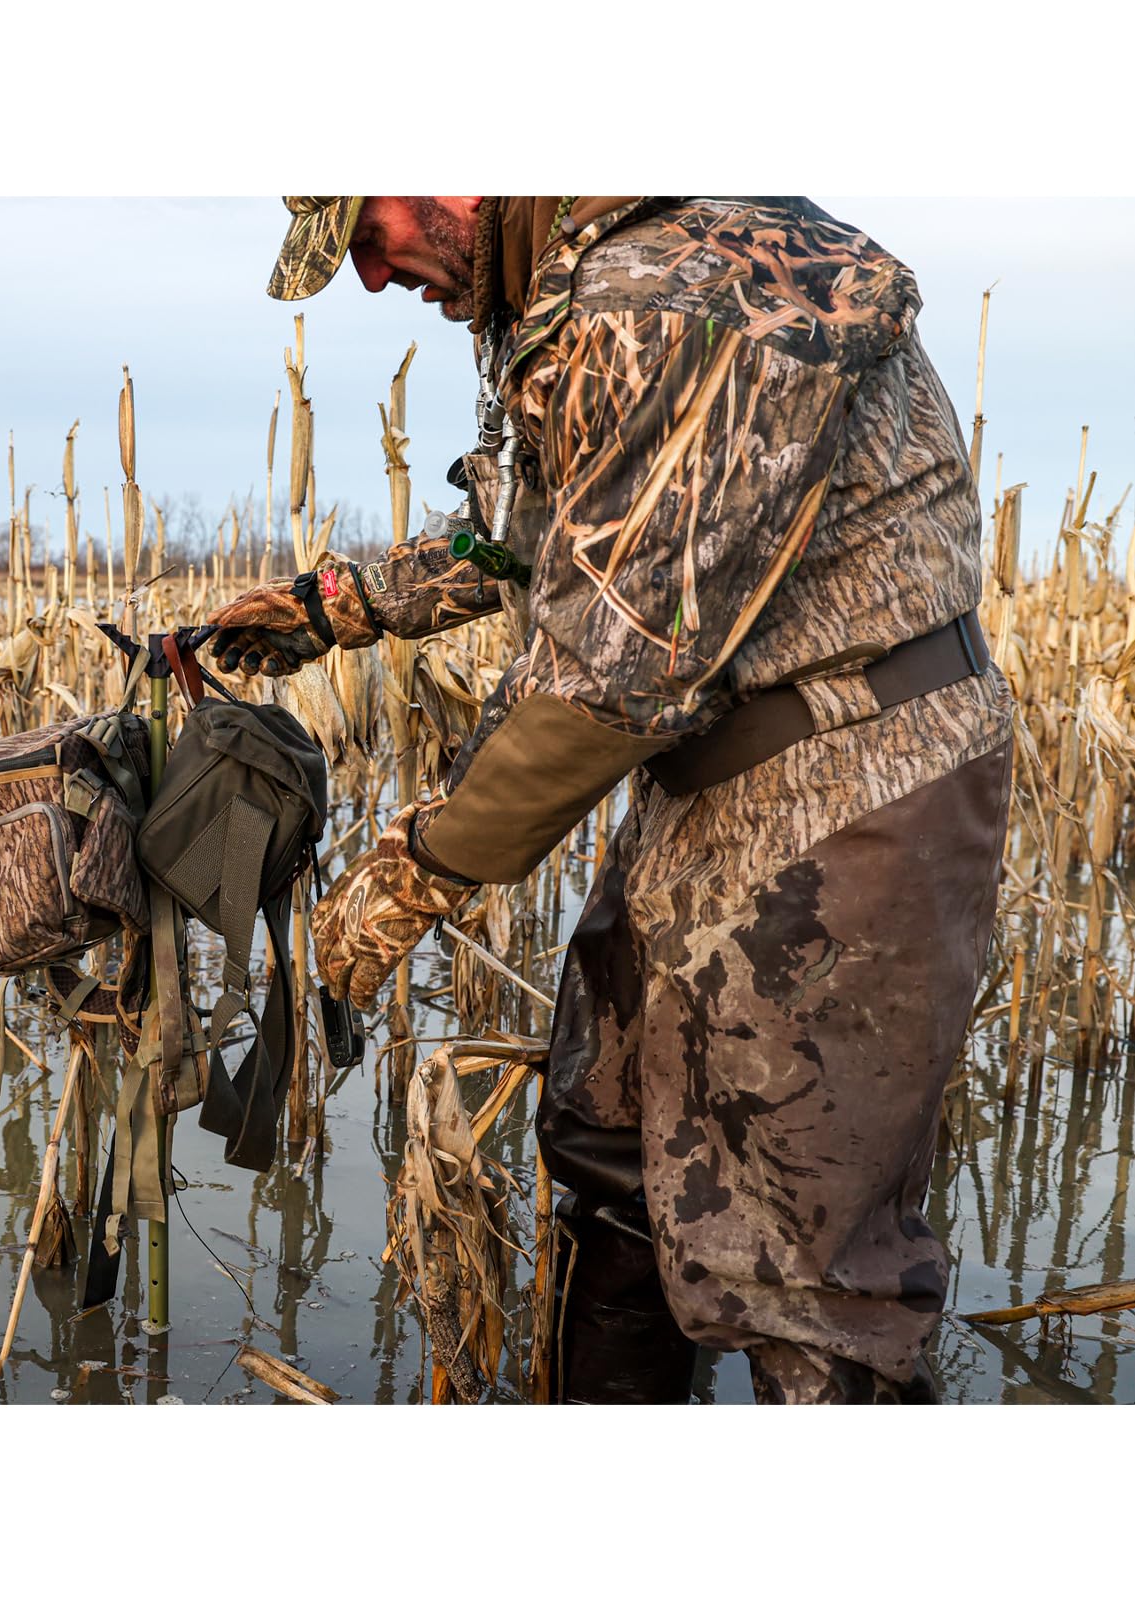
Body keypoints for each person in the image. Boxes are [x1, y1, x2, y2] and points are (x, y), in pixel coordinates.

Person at [207, 196, 1012, 1404]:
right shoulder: (573, 290)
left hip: (847, 791)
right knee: (616, 1159)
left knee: (808, 1277)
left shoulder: (672, 294)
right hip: (716, 789)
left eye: (364, 231)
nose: (372, 279)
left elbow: (615, 672)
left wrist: (392, 890)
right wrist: (331, 603)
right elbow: (534, 538)